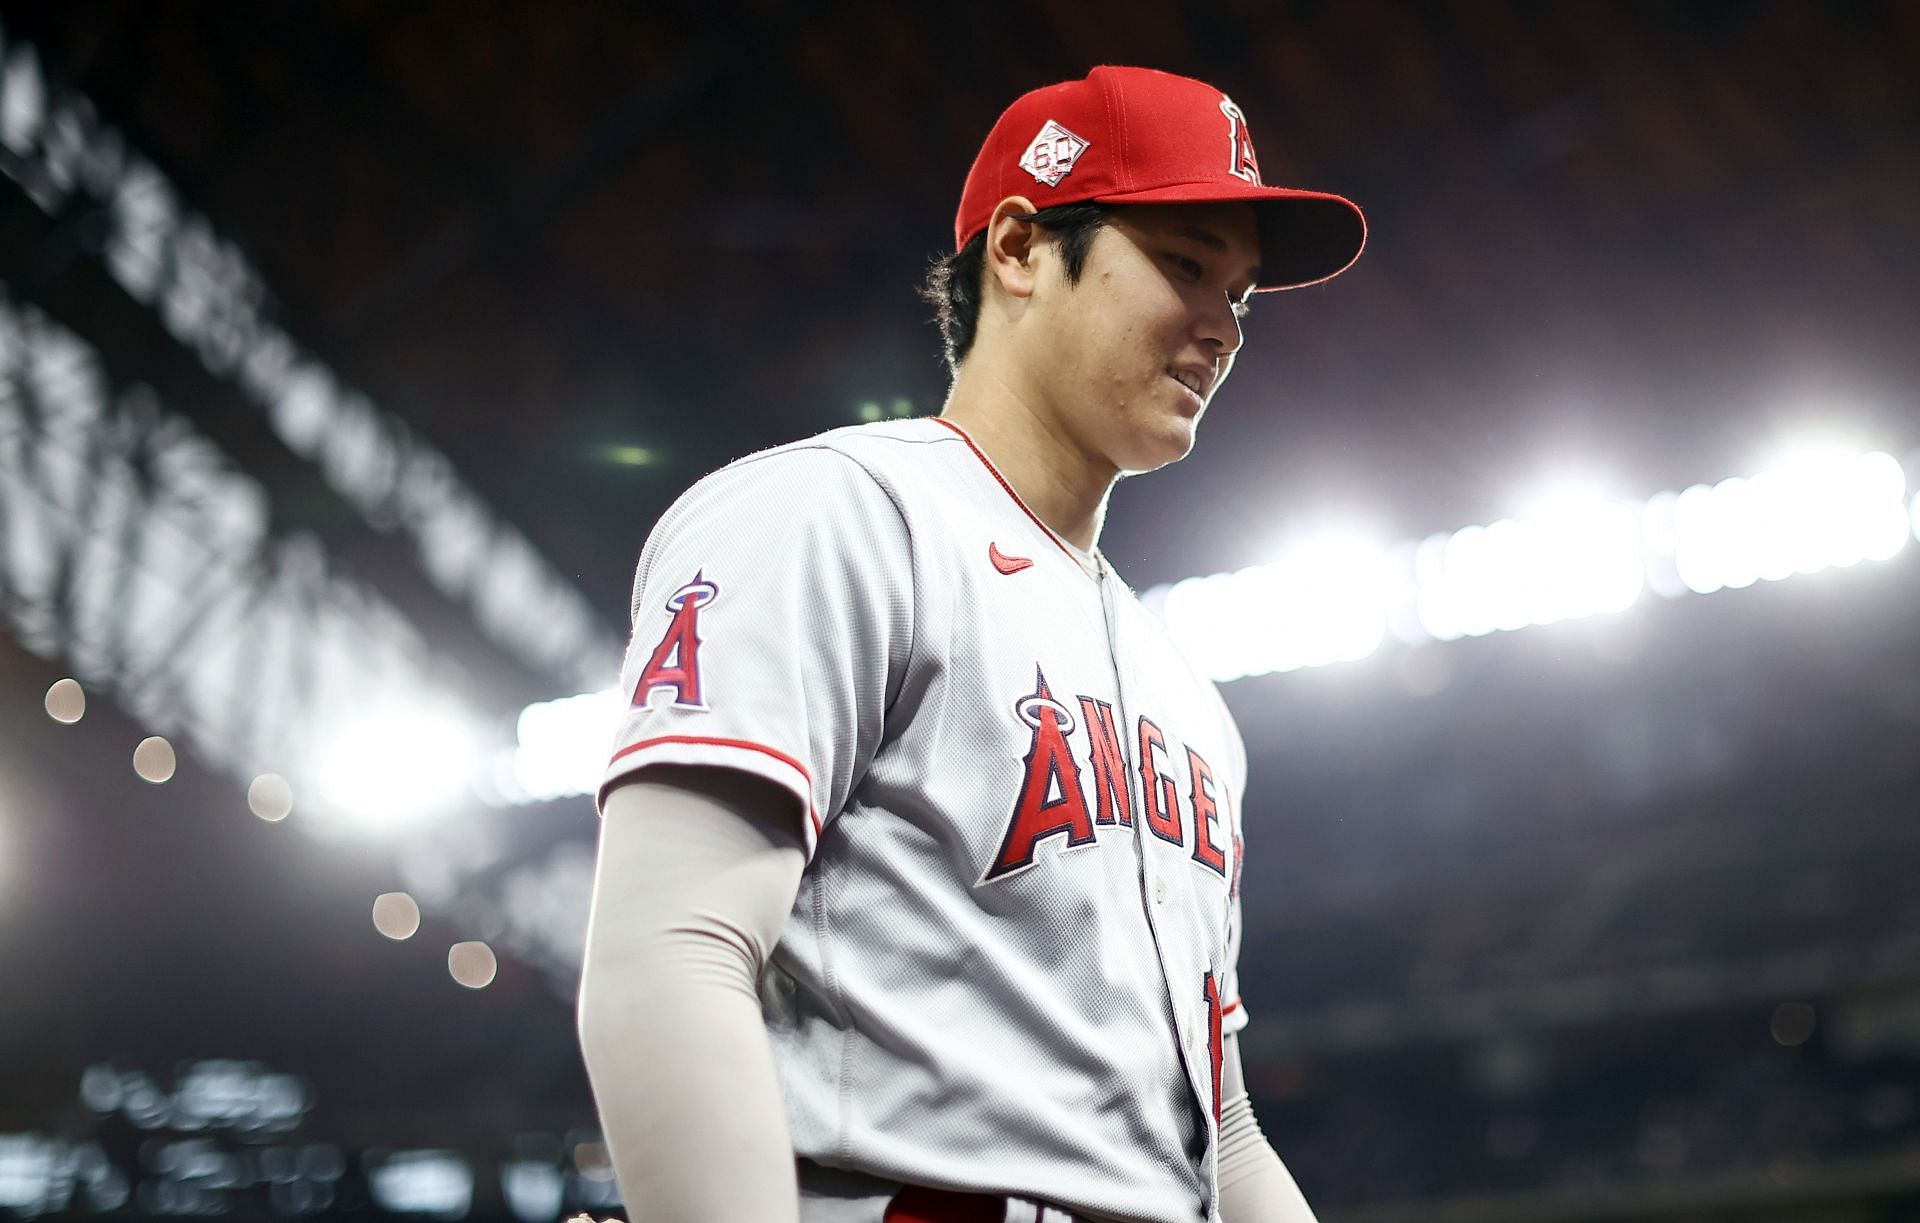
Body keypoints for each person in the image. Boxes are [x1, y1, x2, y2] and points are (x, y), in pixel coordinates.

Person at [576, 65, 1365, 1223]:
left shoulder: (1189, 698)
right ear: (1017, 249)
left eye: (1240, 296)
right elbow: (674, 951)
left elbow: (1224, 1127)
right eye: (1186, 265)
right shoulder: (833, 515)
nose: (1221, 329)